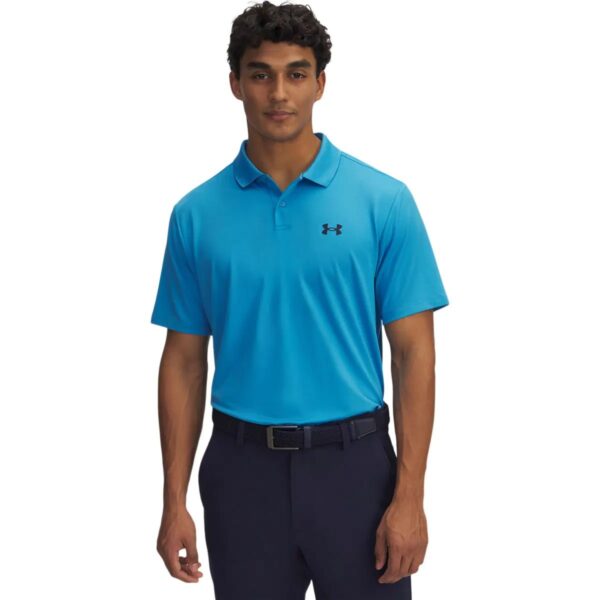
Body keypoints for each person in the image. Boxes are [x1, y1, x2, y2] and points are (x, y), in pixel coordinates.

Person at [150, 2, 449, 598]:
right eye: (261, 74)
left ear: (320, 83)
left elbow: (414, 354)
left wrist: (410, 496)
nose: (279, 93)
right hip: (240, 473)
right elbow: (183, 360)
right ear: (235, 84)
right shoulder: (195, 215)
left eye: (296, 73)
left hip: (356, 470)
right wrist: (173, 501)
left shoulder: (382, 202)